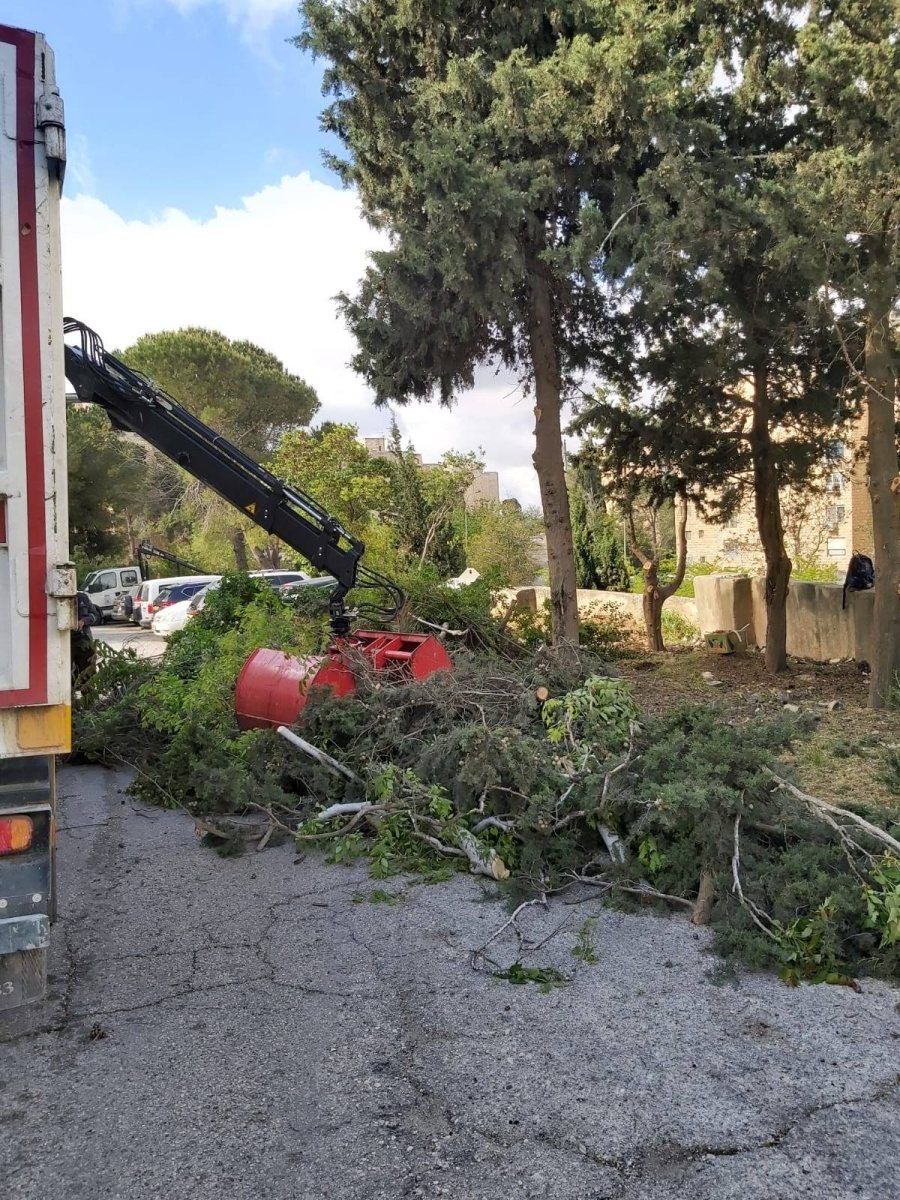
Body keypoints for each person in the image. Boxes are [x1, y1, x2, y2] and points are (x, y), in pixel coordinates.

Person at [71, 591, 98, 684]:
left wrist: (84, 621)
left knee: (88, 675)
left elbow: (95, 615)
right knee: (68, 676)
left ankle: (89, 697)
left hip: (84, 641)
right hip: (66, 643)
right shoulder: (57, 598)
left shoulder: (82, 597)